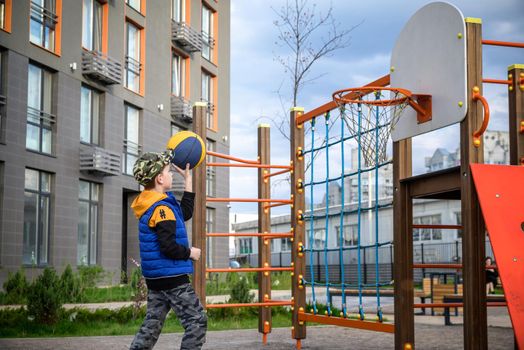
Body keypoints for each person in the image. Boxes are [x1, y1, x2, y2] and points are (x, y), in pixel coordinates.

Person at [130, 151, 207, 350]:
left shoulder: (153, 204)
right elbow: (168, 247)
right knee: (197, 321)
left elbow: (185, 213)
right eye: (168, 171)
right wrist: (190, 253)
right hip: (172, 278)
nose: (172, 174)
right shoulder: (162, 209)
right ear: (160, 178)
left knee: (152, 326)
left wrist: (187, 180)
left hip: (157, 279)